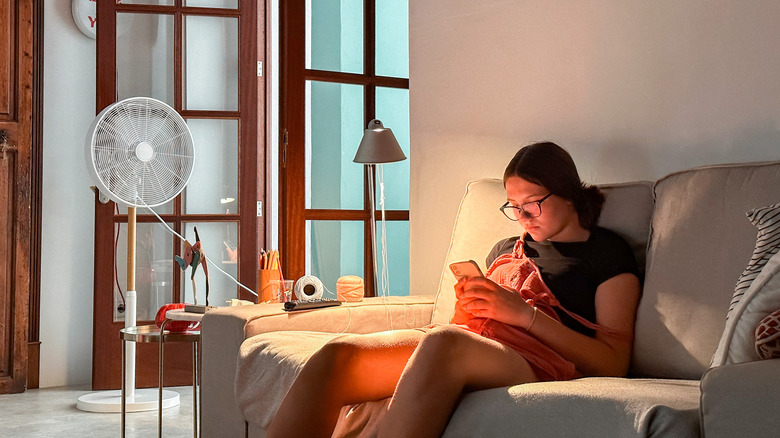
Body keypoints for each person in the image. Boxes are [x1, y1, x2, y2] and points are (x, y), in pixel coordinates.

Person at [266, 142, 642, 438]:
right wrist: (472, 307)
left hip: (536, 358)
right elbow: (462, 326)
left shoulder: (605, 253)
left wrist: (525, 316)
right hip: (477, 342)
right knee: (338, 356)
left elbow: (614, 362)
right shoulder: (505, 249)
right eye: (513, 207)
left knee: (445, 343)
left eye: (532, 204)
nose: (523, 217)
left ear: (569, 194)